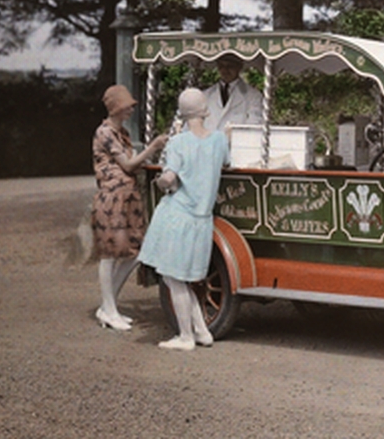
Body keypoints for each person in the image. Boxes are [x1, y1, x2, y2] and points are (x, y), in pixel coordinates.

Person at [138, 88, 230, 351]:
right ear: (206, 110)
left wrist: (163, 180)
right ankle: (201, 331)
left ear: (181, 112)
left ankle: (186, 336)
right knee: (181, 278)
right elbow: (224, 162)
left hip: (179, 215)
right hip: (202, 219)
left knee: (173, 278)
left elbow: (169, 177)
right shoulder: (219, 141)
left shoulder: (178, 143)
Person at [92, 84, 168, 331]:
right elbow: (128, 164)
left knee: (134, 251)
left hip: (127, 197)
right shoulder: (105, 133)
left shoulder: (120, 132)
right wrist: (153, 147)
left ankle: (108, 305)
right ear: (115, 108)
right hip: (113, 196)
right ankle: (109, 308)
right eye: (126, 107)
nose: (129, 111)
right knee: (109, 254)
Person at [203, 53, 263, 131]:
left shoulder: (253, 96)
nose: (225, 70)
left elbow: (254, 125)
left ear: (239, 67)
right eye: (221, 66)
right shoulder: (206, 94)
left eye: (230, 66)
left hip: (237, 141)